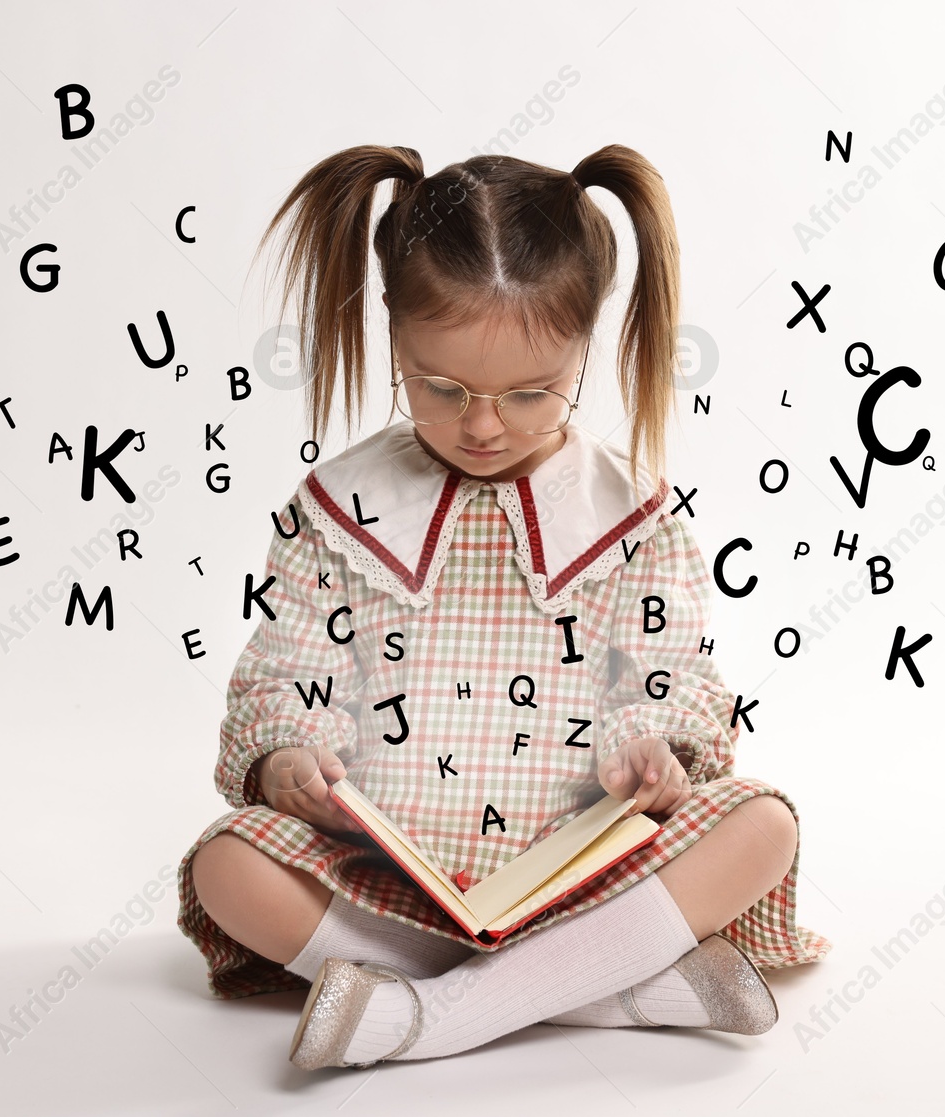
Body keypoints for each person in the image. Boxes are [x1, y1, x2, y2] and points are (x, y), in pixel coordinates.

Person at [176, 143, 830, 1068]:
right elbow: (285, 669)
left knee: (763, 825)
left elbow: (671, 670)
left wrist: (657, 749)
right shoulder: (336, 509)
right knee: (227, 865)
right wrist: (285, 757)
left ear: (584, 351)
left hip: (588, 874)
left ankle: (423, 1014)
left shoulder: (629, 512)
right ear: (395, 340)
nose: (483, 425)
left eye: (530, 394)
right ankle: (603, 991)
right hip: (390, 876)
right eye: (441, 387)